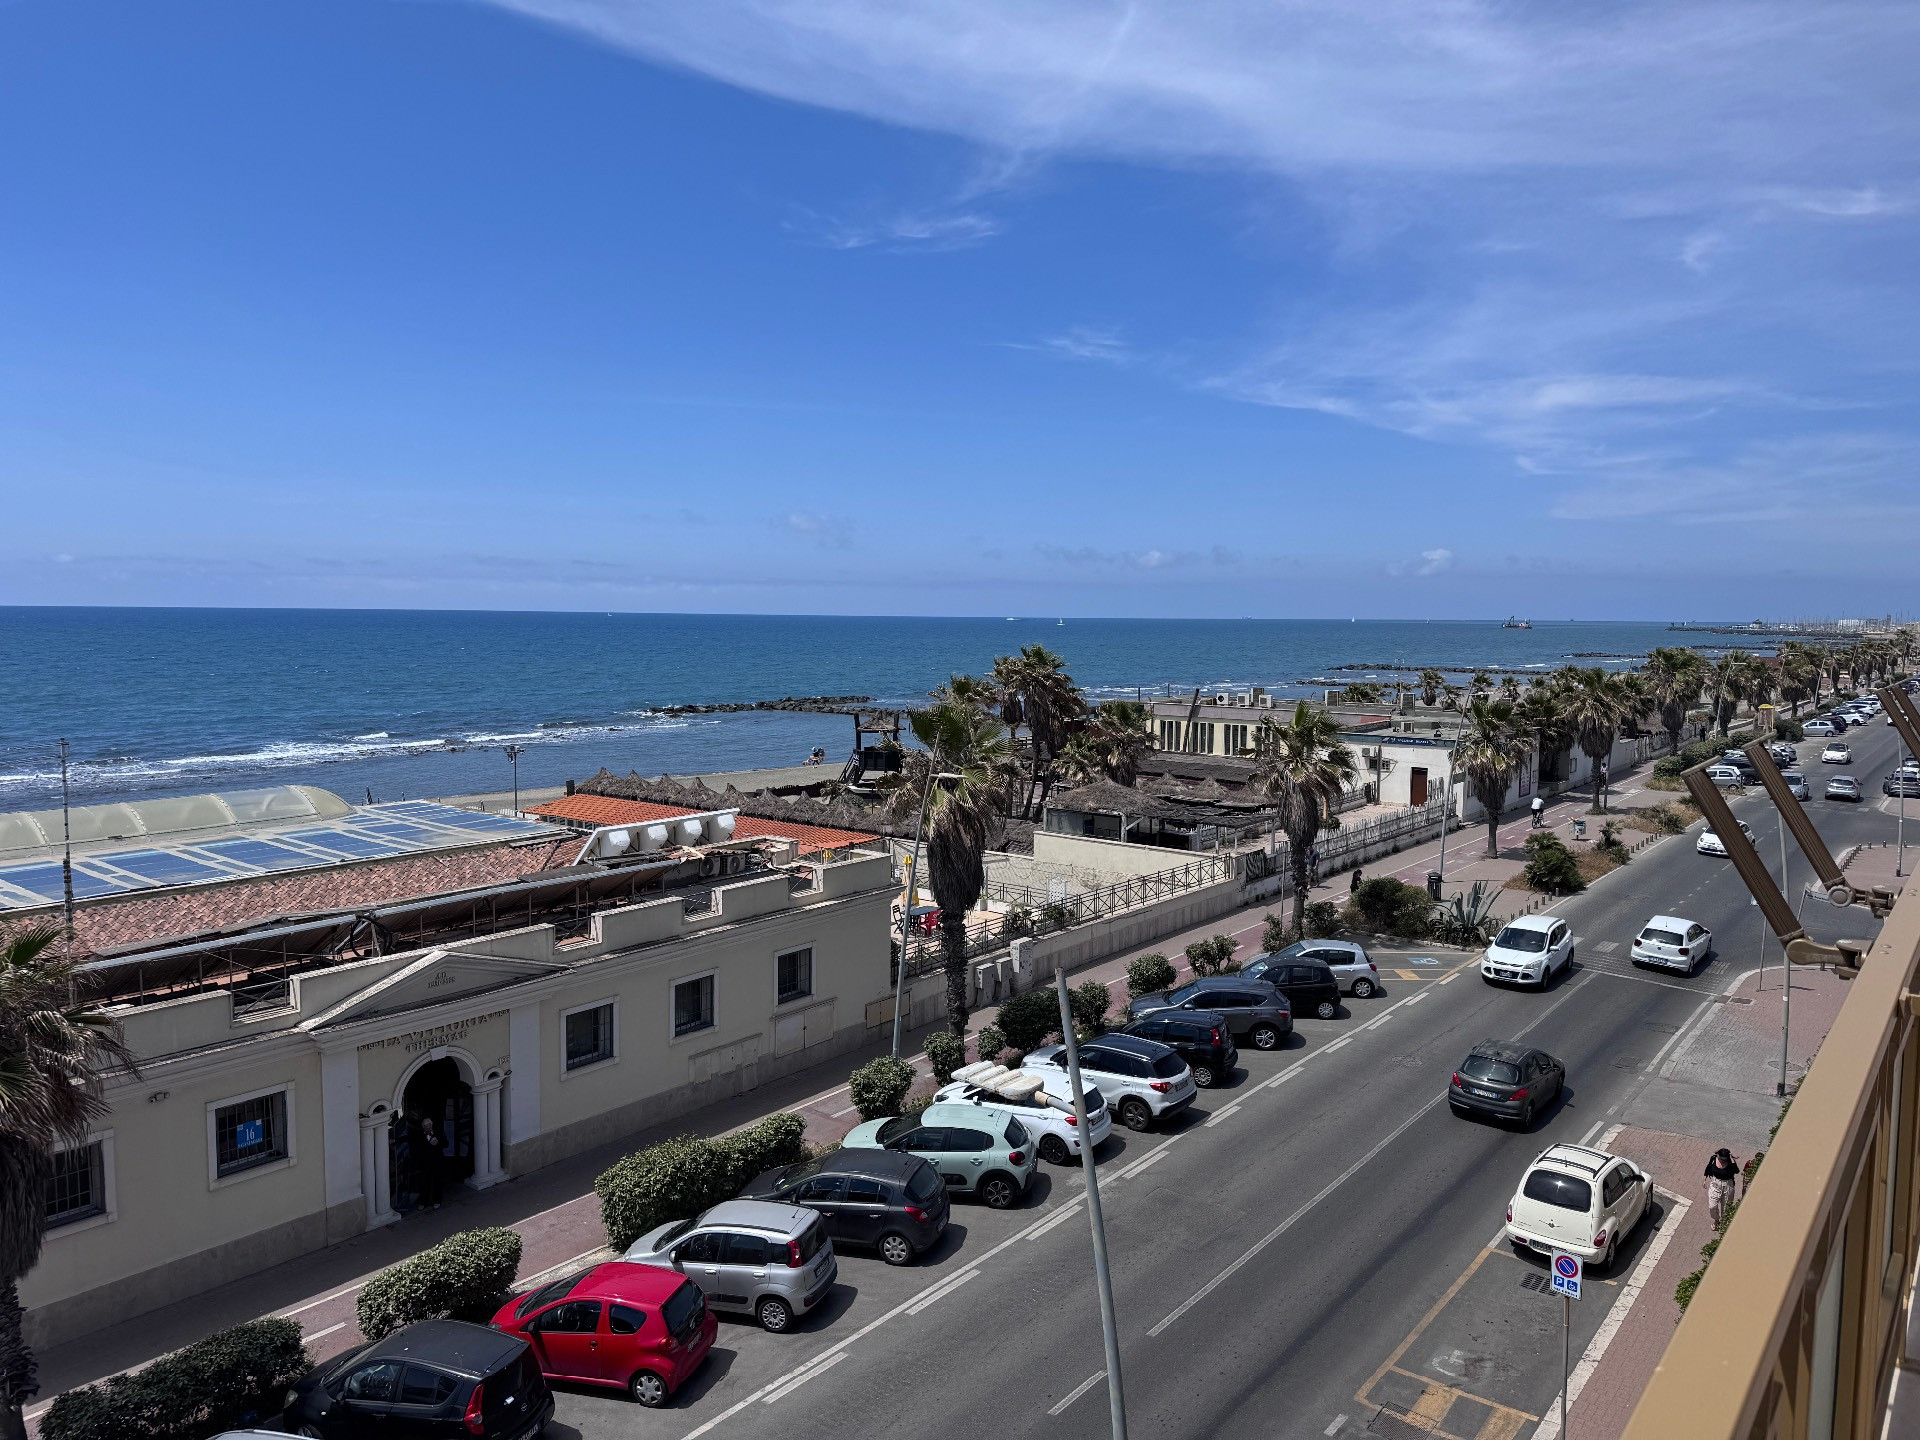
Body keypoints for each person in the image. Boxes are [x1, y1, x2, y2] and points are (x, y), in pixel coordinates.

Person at [1705, 1147, 1740, 1227]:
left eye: (1725, 1159)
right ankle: (1716, 1220)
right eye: (1721, 1159)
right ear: (1717, 1155)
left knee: (1726, 1208)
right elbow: (1709, 1167)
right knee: (1712, 1206)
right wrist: (1705, 1179)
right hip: (1715, 1184)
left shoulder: (1730, 1163)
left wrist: (1732, 1160)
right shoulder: (1714, 1158)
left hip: (1727, 1185)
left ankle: (1724, 1223)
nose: (1722, 1161)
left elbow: (1736, 1171)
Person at [418, 1115, 446, 1211]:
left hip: (437, 1162)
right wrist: (428, 1145)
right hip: (425, 1163)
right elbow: (417, 1149)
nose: (428, 1129)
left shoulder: (439, 1133)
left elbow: (446, 1143)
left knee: (437, 1181)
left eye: (430, 1127)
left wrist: (438, 1143)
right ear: (424, 1128)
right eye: (426, 1128)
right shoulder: (420, 1136)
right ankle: (423, 1201)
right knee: (424, 1182)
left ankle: (437, 1201)